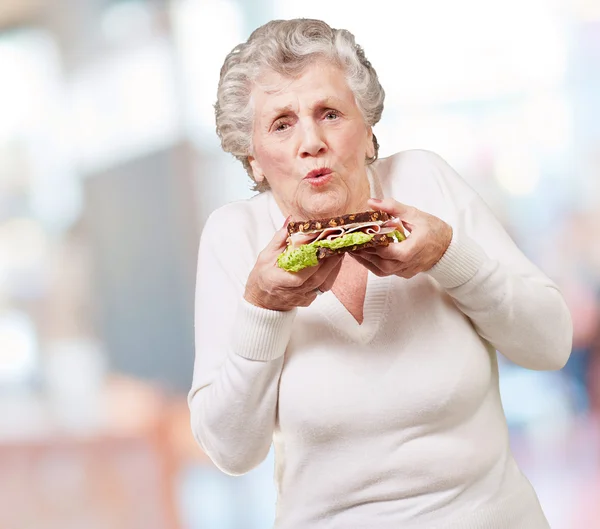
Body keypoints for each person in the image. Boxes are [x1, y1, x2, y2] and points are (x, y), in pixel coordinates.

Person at [188, 18, 573, 529]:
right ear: (253, 159)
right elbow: (231, 451)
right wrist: (263, 306)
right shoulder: (233, 236)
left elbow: (551, 345)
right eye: (281, 123)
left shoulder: (425, 181)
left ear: (368, 131)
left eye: (330, 113)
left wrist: (448, 256)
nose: (312, 141)